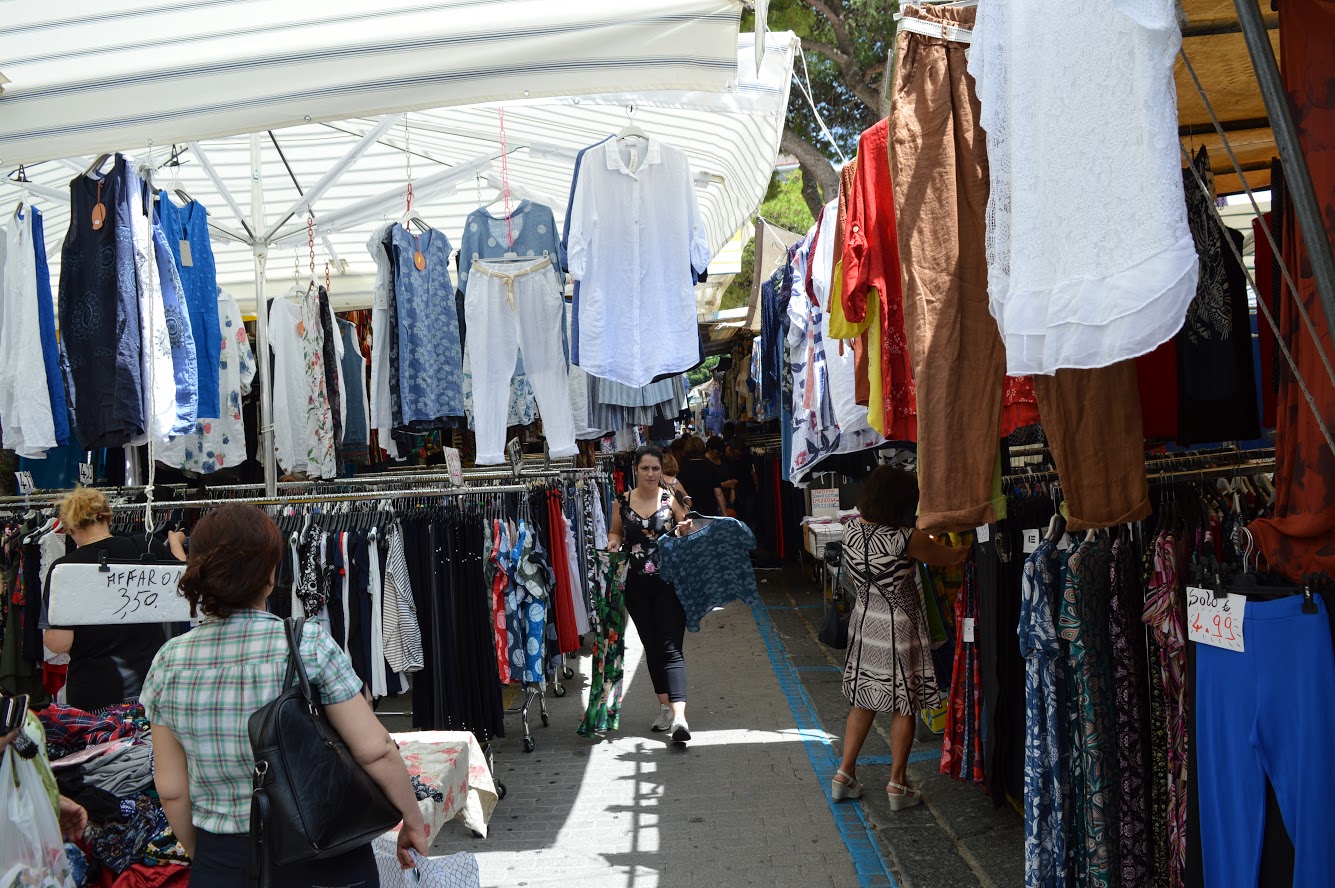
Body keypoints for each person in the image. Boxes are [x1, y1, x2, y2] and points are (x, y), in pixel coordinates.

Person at [139, 504, 428, 886]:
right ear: (271, 573)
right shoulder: (307, 644)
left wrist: (207, 856)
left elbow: (173, 790)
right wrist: (413, 821)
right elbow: (375, 749)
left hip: (224, 858)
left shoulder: (168, 662)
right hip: (323, 851)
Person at [832, 466, 968, 810]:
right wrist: (965, 536)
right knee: (902, 702)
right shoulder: (905, 538)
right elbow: (952, 558)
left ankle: (844, 775)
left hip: (864, 622)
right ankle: (897, 783)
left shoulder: (851, 530)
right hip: (897, 624)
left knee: (863, 698)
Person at [42, 487, 187, 712]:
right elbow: (181, 580)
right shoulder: (146, 546)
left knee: (101, 748)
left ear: (70, 527)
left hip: (94, 690)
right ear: (108, 517)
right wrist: (175, 541)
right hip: (152, 685)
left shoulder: (64, 569)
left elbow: (59, 642)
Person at [607, 445, 695, 743]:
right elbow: (616, 531)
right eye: (645, 468)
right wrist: (613, 542)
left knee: (671, 646)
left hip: (670, 583)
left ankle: (680, 718)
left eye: (655, 469)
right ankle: (665, 707)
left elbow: (686, 530)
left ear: (662, 470)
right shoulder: (621, 501)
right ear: (636, 469)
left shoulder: (671, 500)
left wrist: (685, 529)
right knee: (652, 646)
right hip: (635, 586)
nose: (650, 473)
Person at [675, 437, 728, 517]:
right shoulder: (710, 467)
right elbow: (718, 493)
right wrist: (724, 513)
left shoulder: (682, 469)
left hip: (690, 512)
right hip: (709, 511)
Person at [725, 438, 760, 526]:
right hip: (736, 490)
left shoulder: (747, 457)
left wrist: (756, 485)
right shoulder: (728, 457)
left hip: (747, 488)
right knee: (741, 513)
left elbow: (752, 472)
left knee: (748, 514)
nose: (737, 457)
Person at [704, 436, 739, 512]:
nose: (719, 454)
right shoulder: (704, 463)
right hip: (714, 502)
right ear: (709, 450)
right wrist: (723, 484)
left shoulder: (723, 459)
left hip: (729, 499)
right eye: (717, 452)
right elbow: (705, 485)